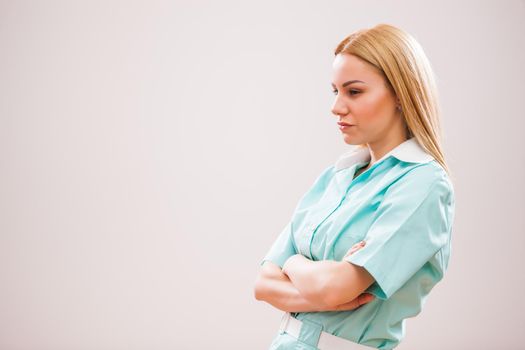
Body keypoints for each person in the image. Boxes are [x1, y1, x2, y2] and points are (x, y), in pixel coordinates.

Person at [253, 23, 456, 350]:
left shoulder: (423, 184)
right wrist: (312, 276)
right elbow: (264, 284)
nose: (337, 107)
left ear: (402, 94)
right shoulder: (336, 176)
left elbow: (336, 288)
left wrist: (294, 264)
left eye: (354, 91)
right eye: (336, 91)